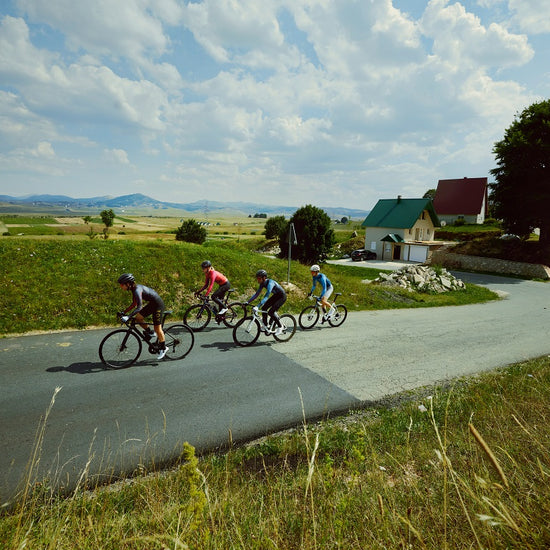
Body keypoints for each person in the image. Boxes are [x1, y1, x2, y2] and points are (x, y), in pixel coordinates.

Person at [117, 273, 167, 360]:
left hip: (158, 305)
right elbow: (134, 304)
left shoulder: (137, 290)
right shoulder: (133, 289)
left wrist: (128, 316)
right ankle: (150, 333)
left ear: (128, 284)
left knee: (157, 328)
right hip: (152, 304)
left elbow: (139, 307)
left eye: (122, 285)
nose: (121, 287)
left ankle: (163, 348)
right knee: (138, 318)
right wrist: (124, 312)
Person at [246, 269, 287, 335]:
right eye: (257, 278)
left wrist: (258, 306)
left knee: (271, 312)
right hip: (276, 295)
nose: (258, 280)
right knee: (264, 308)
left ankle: (280, 326)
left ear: (264, 278)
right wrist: (248, 302)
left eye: (259, 278)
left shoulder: (270, 283)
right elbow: (256, 294)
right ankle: (266, 325)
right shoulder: (262, 284)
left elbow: (266, 296)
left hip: (282, 297)